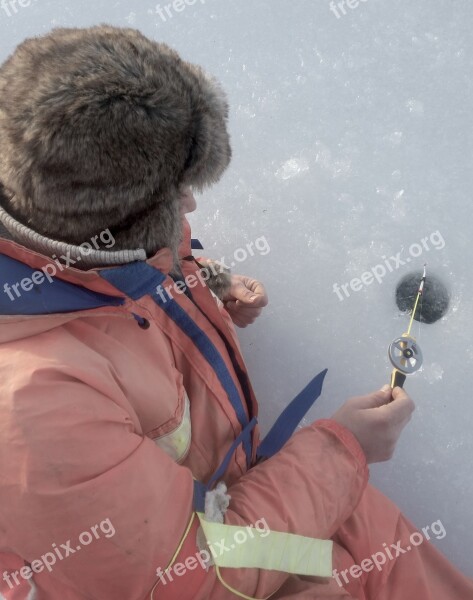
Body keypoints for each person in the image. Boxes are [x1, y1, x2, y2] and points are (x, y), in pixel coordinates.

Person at [0, 25, 471, 600]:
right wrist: (342, 449)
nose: (191, 204)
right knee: (331, 576)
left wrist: (204, 282)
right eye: (174, 195)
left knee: (365, 531)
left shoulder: (60, 228)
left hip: (222, 499)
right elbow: (192, 579)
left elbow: (117, 283)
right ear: (111, 223)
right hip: (193, 565)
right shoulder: (32, 407)